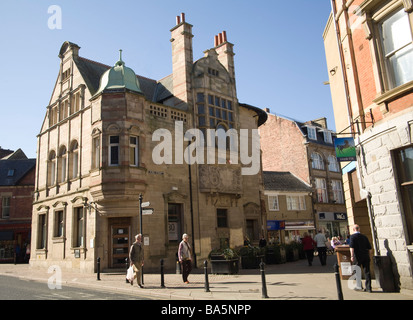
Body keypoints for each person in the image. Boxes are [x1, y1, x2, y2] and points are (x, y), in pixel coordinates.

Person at [350, 224, 373, 292]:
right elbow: (370, 249)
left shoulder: (353, 237)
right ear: (359, 229)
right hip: (365, 256)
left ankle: (359, 286)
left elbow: (352, 247)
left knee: (357, 271)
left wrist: (351, 256)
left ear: (353, 229)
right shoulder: (364, 237)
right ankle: (369, 288)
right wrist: (369, 256)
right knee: (367, 271)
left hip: (357, 256)